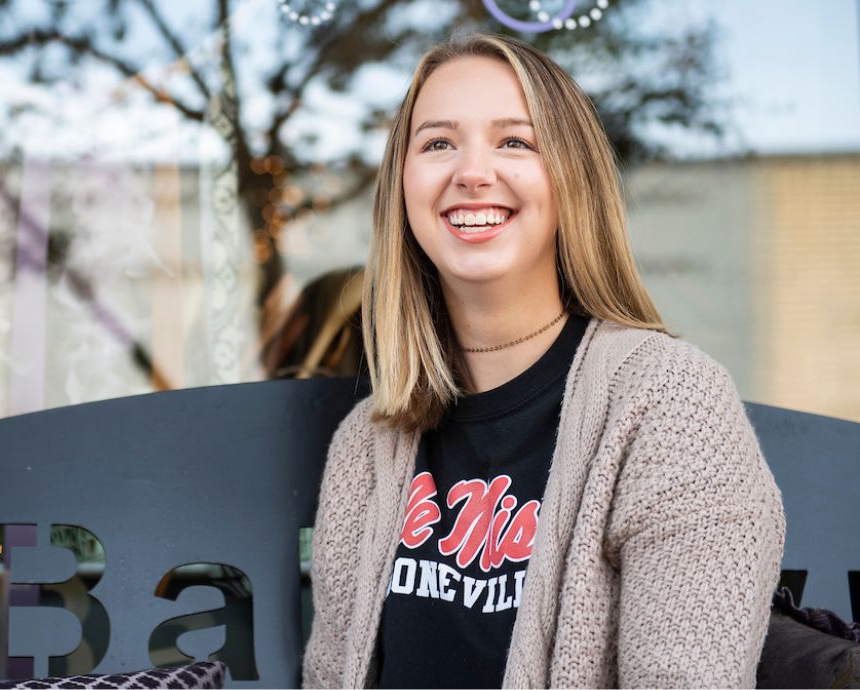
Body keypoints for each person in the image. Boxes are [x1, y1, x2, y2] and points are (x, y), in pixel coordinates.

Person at [301, 33, 785, 688]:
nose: (471, 172)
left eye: (515, 141)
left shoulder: (668, 402)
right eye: (438, 142)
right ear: (403, 188)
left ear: (570, 179)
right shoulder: (367, 445)